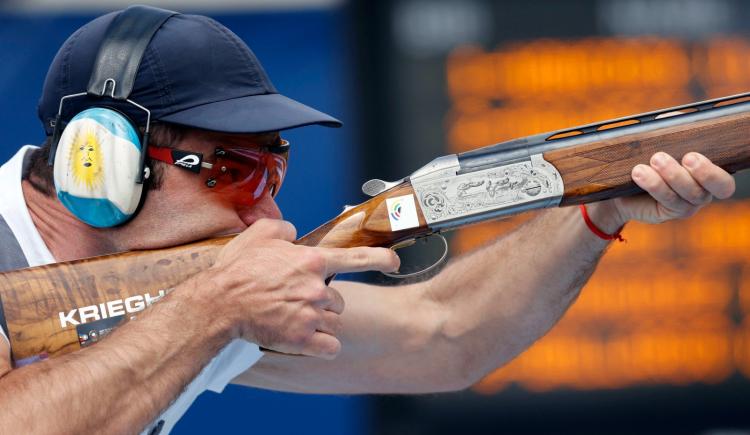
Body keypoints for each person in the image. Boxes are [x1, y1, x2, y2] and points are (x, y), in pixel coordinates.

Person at [0, 6, 736, 435]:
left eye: (273, 169)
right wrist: (214, 307)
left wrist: (596, 205)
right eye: (234, 172)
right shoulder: (200, 304)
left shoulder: (190, 301)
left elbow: (446, 337)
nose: (270, 213)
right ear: (98, 166)